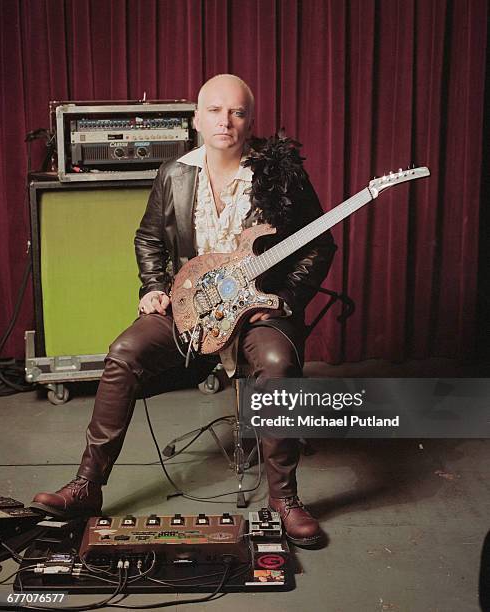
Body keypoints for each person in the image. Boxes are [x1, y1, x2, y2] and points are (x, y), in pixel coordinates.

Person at [31, 74, 336, 548]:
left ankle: (285, 499)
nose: (225, 121)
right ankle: (87, 486)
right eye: (214, 110)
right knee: (123, 352)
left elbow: (320, 245)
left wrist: (286, 301)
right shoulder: (174, 174)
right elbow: (149, 237)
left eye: (236, 112)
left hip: (259, 310)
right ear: (196, 118)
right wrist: (154, 287)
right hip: (193, 307)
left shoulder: (281, 175)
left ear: (250, 121)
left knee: (277, 364)